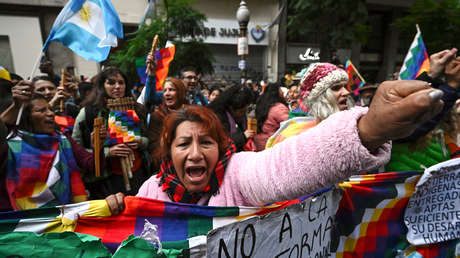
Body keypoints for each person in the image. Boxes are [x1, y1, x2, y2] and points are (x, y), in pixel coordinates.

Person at [105, 79, 445, 213]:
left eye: (206, 142)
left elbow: (286, 164)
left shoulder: (237, 173)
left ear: (220, 146)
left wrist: (369, 128)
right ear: (169, 151)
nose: (195, 153)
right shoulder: (150, 191)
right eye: (184, 144)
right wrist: (113, 211)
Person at [0, 81, 104, 211]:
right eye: (41, 110)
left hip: (64, 217)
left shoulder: (62, 140)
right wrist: (16, 106)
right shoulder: (10, 146)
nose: (50, 114)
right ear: (26, 117)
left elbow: (93, 166)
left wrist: (98, 147)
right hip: (23, 221)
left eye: (50, 109)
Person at [72, 67, 151, 199]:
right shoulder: (88, 113)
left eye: (121, 82)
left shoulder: (137, 109)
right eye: (111, 82)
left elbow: (148, 139)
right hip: (106, 180)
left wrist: (139, 141)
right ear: (102, 85)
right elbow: (76, 150)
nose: (117, 86)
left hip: (138, 173)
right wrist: (108, 152)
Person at [208, 85, 255, 152]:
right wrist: (243, 137)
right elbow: (222, 144)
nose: (243, 114)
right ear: (231, 108)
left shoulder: (238, 115)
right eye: (241, 111)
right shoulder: (218, 117)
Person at [253, 83, 289, 151]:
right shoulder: (279, 107)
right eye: (281, 90)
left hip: (258, 143)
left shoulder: (261, 104)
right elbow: (289, 124)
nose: (282, 92)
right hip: (271, 144)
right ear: (277, 93)